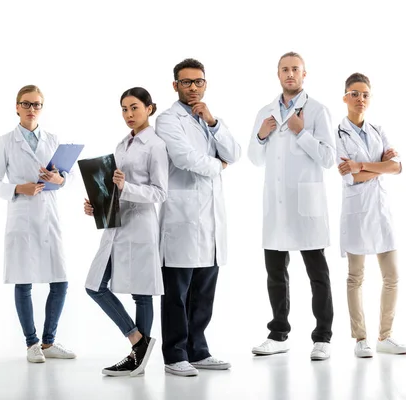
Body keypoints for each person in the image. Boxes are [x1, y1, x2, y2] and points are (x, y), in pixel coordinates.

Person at [155, 58, 241, 376]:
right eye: (186, 82)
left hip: (210, 220)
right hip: (182, 217)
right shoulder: (166, 120)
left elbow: (234, 153)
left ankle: (198, 350)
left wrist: (214, 122)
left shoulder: (208, 118)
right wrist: (217, 166)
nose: (193, 87)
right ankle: (174, 354)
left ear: (205, 84)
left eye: (198, 82)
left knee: (203, 290)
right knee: (177, 293)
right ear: (175, 85)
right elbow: (183, 157)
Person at [248, 52, 335, 360]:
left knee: (317, 274)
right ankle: (278, 333)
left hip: (305, 204)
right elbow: (255, 158)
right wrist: (261, 135)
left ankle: (322, 337)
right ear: (278, 74)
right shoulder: (265, 112)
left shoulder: (318, 111)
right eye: (285, 69)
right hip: (277, 206)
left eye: (295, 69)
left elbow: (328, 158)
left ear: (304, 74)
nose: (289, 74)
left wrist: (301, 131)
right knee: (275, 272)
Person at [0, 85, 76, 363]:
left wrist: (60, 180)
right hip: (22, 217)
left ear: (41, 108)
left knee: (60, 282)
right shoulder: (5, 141)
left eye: (36, 104)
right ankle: (31, 344)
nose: (31, 109)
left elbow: (68, 176)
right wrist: (17, 189)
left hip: (49, 217)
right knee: (23, 282)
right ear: (16, 107)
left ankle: (49, 342)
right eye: (26, 104)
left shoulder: (53, 138)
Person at [84, 87, 168, 376]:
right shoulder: (122, 145)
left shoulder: (155, 145)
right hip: (116, 224)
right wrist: (98, 204)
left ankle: (137, 358)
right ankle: (138, 342)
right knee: (94, 285)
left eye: (134, 108)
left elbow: (160, 193)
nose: (129, 114)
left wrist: (125, 187)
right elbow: (114, 187)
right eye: (124, 109)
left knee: (141, 293)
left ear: (149, 108)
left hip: (141, 225)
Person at [336, 73, 406, 357]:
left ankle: (385, 336)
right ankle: (360, 338)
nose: (360, 99)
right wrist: (379, 165)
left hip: (380, 211)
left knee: (392, 276)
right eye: (354, 93)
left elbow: (397, 168)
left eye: (365, 94)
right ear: (345, 97)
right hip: (356, 212)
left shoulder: (379, 129)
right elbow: (350, 179)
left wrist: (362, 165)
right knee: (356, 277)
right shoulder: (338, 134)